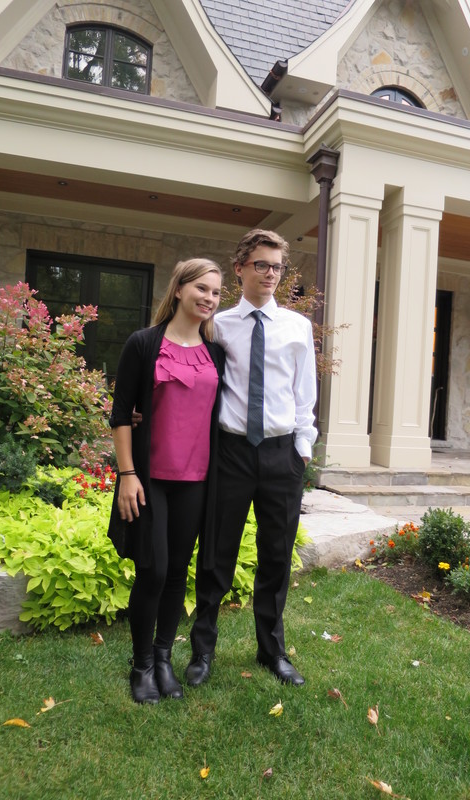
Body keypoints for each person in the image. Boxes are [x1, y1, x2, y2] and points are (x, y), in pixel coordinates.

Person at [186, 229, 317, 687]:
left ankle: (272, 651)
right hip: (232, 453)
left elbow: (305, 393)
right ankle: (202, 650)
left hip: (282, 456)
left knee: (277, 557)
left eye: (277, 267)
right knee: (216, 554)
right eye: (261, 264)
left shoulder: (297, 327)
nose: (270, 274)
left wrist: (302, 449)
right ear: (240, 267)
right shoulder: (218, 325)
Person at [108, 258, 224, 705]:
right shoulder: (143, 344)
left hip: (197, 479)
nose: (209, 298)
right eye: (202, 288)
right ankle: (140, 665)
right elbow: (122, 413)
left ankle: (162, 659)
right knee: (152, 569)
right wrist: (127, 475)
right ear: (179, 289)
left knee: (177, 572)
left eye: (216, 292)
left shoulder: (215, 353)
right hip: (150, 477)